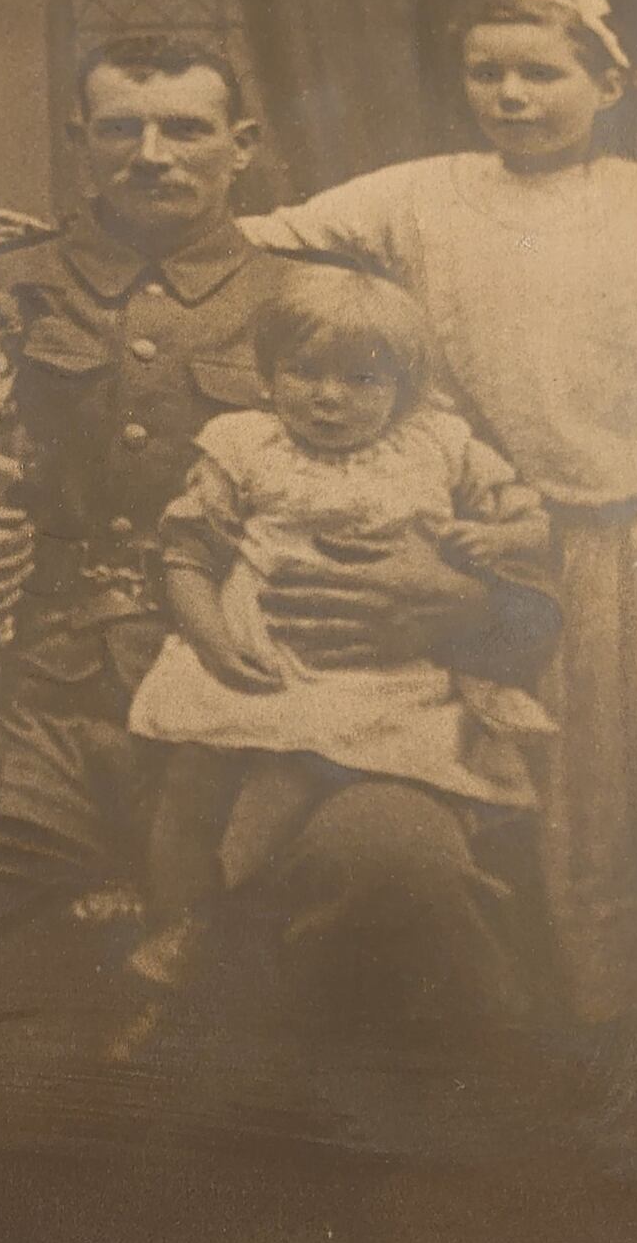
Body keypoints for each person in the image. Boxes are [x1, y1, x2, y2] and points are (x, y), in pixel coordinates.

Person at [0, 36, 541, 1018]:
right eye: (120, 129)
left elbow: (473, 497)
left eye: (184, 128)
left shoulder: (329, 300)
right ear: (80, 142)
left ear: (242, 145)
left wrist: (465, 599)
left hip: (298, 714)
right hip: (33, 717)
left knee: (396, 861)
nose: (151, 154)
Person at [240, 0, 637, 1025]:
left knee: (632, 783)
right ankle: (543, 1019)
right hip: (482, 540)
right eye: (486, 72)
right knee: (513, 782)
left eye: (540, 72)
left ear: (608, 82)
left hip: (634, 533)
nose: (509, 94)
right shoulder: (422, 194)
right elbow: (254, 239)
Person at [126, 264, 554, 1021]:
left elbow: (532, 518)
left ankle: (221, 917)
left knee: (307, 781)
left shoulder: (438, 447)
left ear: (405, 389)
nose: (328, 398)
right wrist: (216, 644)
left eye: (361, 380)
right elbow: (185, 555)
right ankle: (173, 920)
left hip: (376, 676)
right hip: (256, 661)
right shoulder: (244, 445)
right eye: (304, 373)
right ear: (268, 374)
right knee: (194, 776)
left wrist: (492, 535)